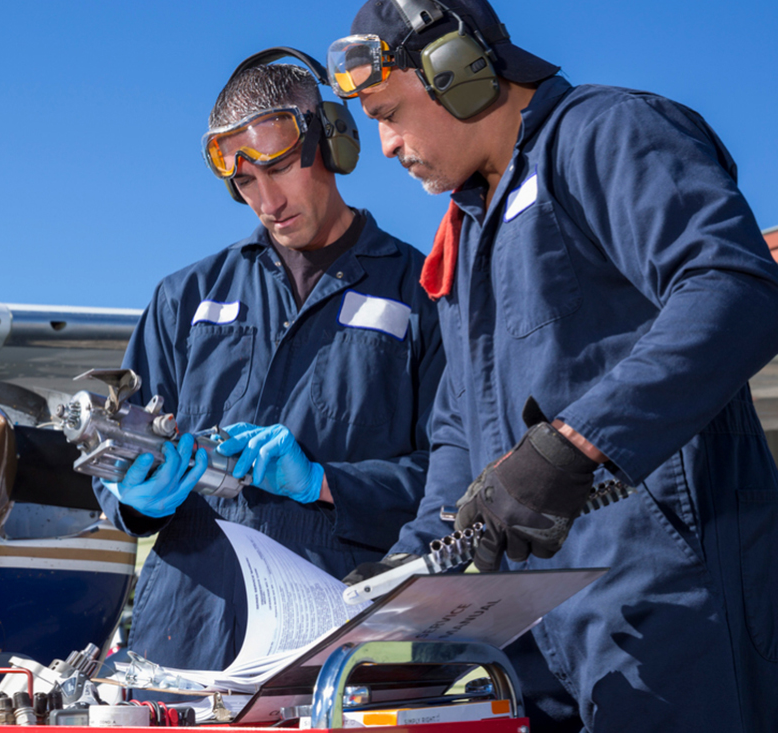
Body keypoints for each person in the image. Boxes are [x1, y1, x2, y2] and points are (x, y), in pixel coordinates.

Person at [329, 1, 778, 731]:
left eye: (387, 114)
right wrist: (408, 565)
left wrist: (577, 440)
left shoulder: (608, 134)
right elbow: (456, 433)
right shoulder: (468, 235)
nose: (383, 146)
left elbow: (735, 288)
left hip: (672, 615)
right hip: (537, 644)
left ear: (456, 75)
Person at [92, 49, 446, 678]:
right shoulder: (187, 299)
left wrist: (324, 482)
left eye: (279, 168)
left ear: (332, 142)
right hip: (186, 642)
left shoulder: (421, 295)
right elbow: (116, 453)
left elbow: (453, 477)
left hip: (338, 645)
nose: (267, 199)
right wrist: (135, 495)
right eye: (246, 183)